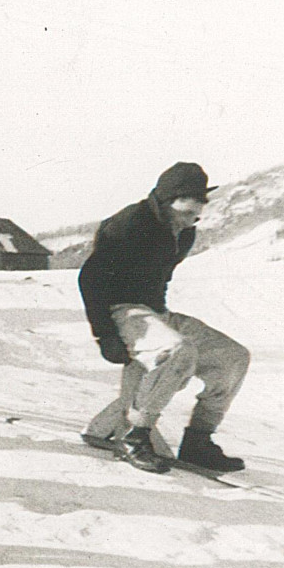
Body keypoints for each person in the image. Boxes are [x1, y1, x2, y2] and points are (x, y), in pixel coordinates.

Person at [77, 162, 249, 474]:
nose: (191, 220)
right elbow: (90, 278)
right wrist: (106, 335)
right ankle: (134, 436)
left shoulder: (183, 233)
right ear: (168, 201)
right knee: (177, 350)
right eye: (186, 212)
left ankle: (198, 441)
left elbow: (159, 278)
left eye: (196, 213)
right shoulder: (130, 223)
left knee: (232, 357)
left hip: (155, 311)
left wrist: (161, 319)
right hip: (121, 310)